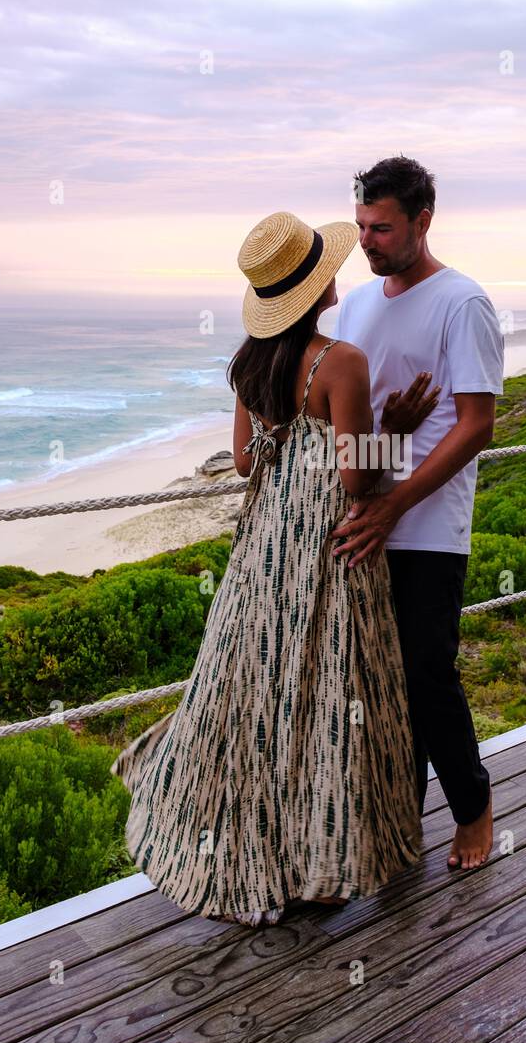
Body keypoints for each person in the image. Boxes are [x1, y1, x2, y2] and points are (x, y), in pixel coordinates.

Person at [111, 210, 440, 927]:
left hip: (265, 546)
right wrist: (399, 432)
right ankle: (319, 867)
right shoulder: (339, 361)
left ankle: (249, 843)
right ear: (321, 286)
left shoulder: (249, 364)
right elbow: (358, 480)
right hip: (328, 544)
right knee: (325, 695)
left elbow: (241, 461)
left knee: (258, 689)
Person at [331, 155, 504, 870]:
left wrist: (396, 501)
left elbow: (476, 423)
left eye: (382, 228)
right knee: (375, 680)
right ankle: (400, 822)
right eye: (362, 227)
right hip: (362, 514)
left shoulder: (463, 303)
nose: (367, 242)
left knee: (428, 674)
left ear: (422, 222)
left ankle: (475, 808)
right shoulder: (356, 305)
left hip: (427, 525)